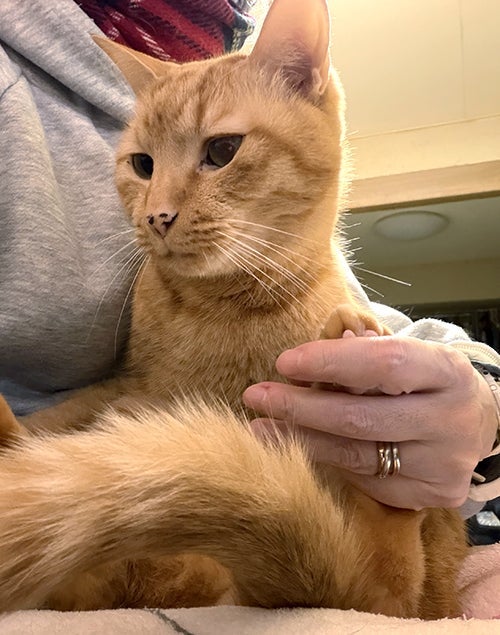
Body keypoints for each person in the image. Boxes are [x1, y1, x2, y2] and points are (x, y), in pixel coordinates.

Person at [0, 0, 499, 519]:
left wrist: (487, 406)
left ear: (302, 80)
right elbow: (144, 395)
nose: (159, 211)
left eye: (219, 152)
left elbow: (402, 351)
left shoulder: (286, 245)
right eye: (143, 165)